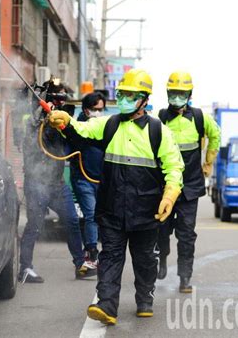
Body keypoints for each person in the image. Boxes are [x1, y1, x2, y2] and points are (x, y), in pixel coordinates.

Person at [48, 69, 184, 324]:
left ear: (144, 99)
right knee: (110, 256)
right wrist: (65, 120)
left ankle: (145, 298)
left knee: (145, 260)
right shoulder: (109, 124)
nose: (123, 99)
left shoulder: (159, 131)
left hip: (146, 211)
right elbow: (81, 129)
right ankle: (107, 306)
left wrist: (170, 195)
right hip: (111, 209)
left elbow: (174, 167)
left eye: (129, 95)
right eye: (121, 94)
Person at [18, 78, 97, 283]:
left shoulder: (61, 119)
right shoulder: (34, 120)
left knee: (71, 221)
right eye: (58, 99)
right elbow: (31, 140)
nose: (61, 104)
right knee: (34, 225)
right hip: (37, 182)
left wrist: (62, 124)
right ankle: (25, 268)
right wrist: (44, 118)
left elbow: (71, 141)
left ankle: (80, 264)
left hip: (57, 183)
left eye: (63, 99)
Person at [157, 71, 221, 292]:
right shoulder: (161, 117)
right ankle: (162, 258)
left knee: (186, 234)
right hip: (165, 185)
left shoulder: (201, 118)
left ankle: (185, 277)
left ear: (189, 94)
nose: (177, 97)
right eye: (173, 93)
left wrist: (209, 161)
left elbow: (216, 135)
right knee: (161, 228)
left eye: (181, 94)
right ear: (167, 93)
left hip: (191, 186)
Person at [68, 92, 106, 265]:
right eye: (94, 109)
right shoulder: (77, 127)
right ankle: (92, 250)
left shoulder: (106, 126)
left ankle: (100, 250)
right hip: (83, 178)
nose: (98, 113)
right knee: (90, 214)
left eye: (101, 109)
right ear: (86, 110)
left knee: (101, 215)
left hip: (102, 179)